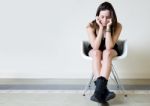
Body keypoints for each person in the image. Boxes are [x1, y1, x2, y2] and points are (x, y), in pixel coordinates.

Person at [86, 1, 122, 103]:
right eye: (102, 17)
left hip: (110, 49)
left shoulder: (117, 26)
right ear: (98, 16)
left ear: (112, 17)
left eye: (107, 17)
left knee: (107, 52)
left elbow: (109, 46)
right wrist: (101, 28)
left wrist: (109, 28)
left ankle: (98, 93)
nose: (105, 20)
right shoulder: (91, 26)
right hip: (95, 49)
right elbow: (95, 46)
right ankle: (102, 91)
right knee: (97, 53)